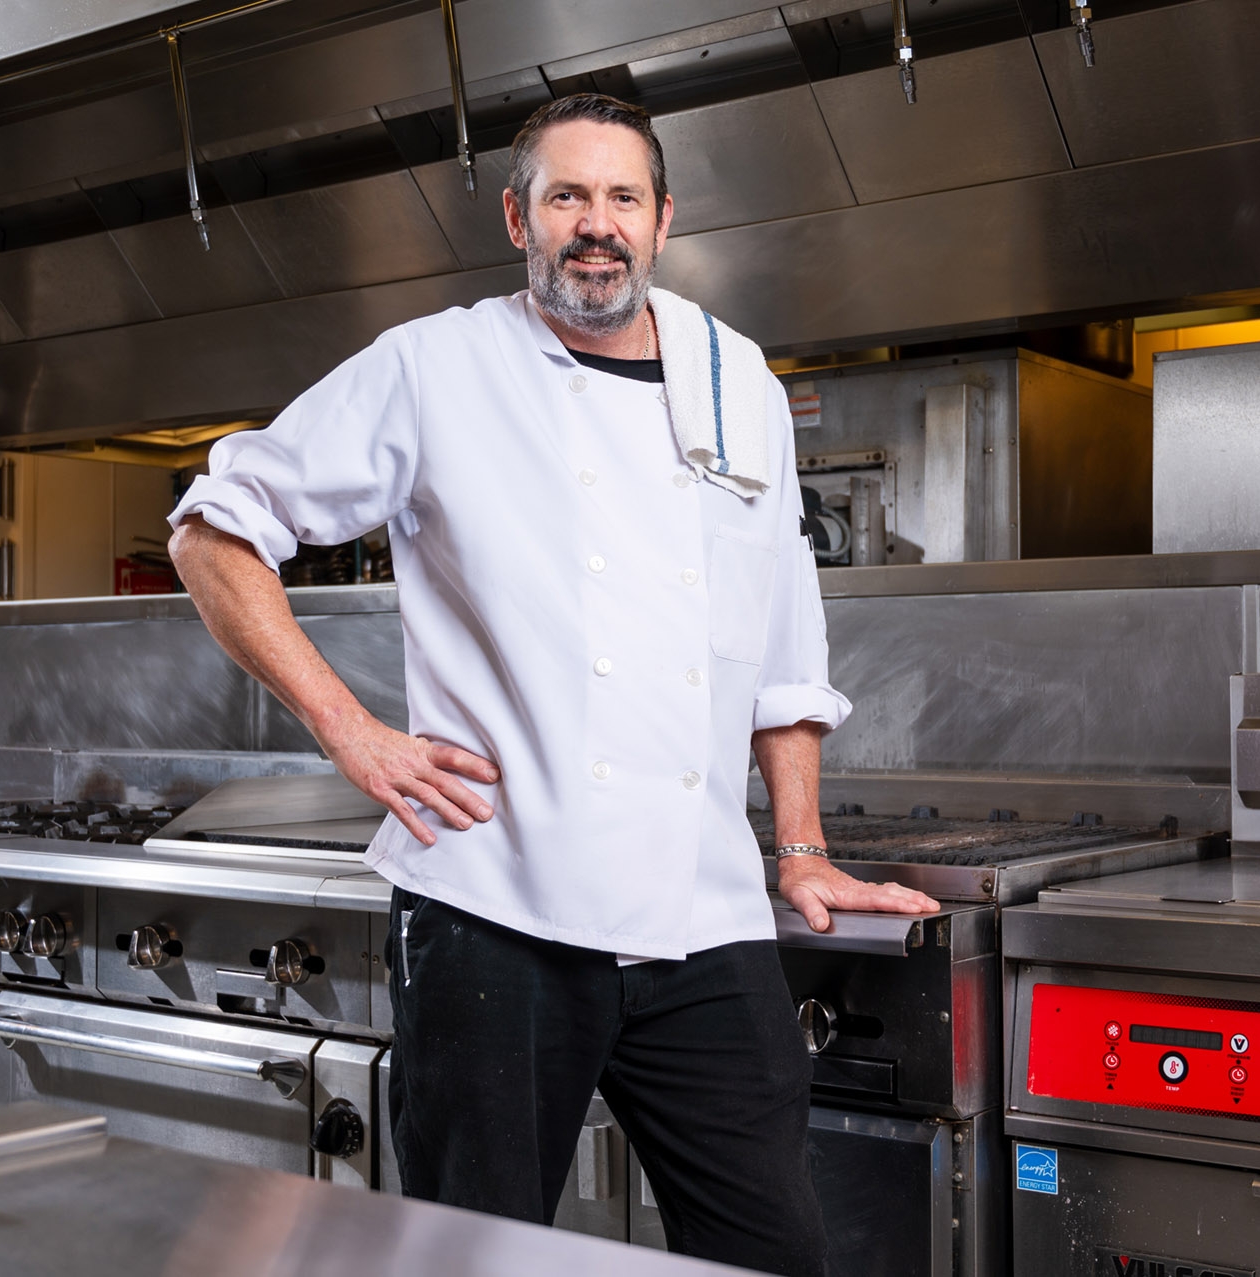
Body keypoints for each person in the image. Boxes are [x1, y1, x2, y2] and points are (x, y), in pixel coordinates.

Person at [167, 92, 939, 1276]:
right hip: (497, 908)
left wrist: (799, 846)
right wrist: (352, 732)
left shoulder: (739, 381)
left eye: (622, 197)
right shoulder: (436, 367)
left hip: (702, 911)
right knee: (472, 1258)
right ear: (519, 216)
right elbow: (215, 531)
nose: (598, 225)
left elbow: (782, 644)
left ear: (663, 218)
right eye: (568, 197)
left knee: (772, 1246)